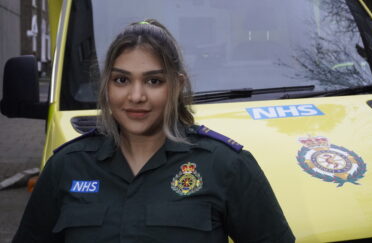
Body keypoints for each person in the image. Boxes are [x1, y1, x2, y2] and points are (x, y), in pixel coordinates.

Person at [13, 19, 295, 242]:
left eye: (154, 81)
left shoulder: (226, 165)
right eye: (122, 80)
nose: (136, 96)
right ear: (106, 86)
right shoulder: (67, 166)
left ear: (177, 85)